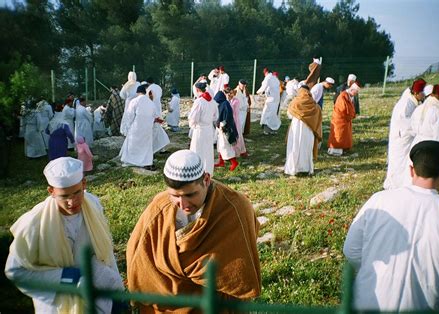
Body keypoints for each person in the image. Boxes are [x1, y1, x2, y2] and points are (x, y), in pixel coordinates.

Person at [343, 141, 439, 311]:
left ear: (412, 170)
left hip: (369, 304)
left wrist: (372, 270)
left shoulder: (378, 200)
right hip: (425, 308)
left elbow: (351, 249)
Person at [126, 150, 261, 313]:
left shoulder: (235, 207)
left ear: (206, 180)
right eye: (174, 196)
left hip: (212, 303)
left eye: (190, 195)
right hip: (165, 301)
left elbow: (238, 270)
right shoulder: (160, 207)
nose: (183, 204)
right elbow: (138, 254)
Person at [4, 157, 124, 313]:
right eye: (64, 196)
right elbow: (15, 272)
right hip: (57, 305)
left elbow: (104, 250)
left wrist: (115, 286)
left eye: (76, 193)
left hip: (97, 296)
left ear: (84, 184)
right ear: (51, 192)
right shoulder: (35, 224)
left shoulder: (93, 206)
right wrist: (63, 277)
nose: (72, 202)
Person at [383, 79, 426, 189]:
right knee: (398, 162)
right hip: (401, 138)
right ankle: (394, 186)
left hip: (405, 137)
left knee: (403, 163)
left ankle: (400, 183)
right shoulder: (407, 104)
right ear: (416, 93)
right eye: (422, 92)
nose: (424, 95)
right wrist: (419, 130)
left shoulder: (411, 101)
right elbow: (406, 123)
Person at [284, 81, 322, 176]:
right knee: (306, 148)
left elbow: (289, 115)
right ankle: (306, 168)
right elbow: (318, 117)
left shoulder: (295, 102)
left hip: (296, 128)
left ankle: (293, 168)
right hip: (308, 130)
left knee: (295, 146)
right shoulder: (314, 105)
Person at [120, 85, 157, 169]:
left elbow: (129, 115)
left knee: (133, 144)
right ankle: (146, 161)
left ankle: (131, 161)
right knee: (146, 145)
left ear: (137, 92)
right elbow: (154, 115)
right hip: (147, 127)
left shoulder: (134, 101)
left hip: (136, 126)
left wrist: (128, 127)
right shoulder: (151, 102)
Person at [188, 82, 218, 176]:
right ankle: (208, 172)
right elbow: (215, 116)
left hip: (200, 129)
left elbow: (193, 117)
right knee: (208, 151)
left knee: (197, 150)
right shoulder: (213, 102)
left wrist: (192, 125)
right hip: (209, 129)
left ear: (197, 90)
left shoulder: (199, 101)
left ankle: (197, 172)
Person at [410, 84, 439, 149]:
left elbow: (412, 125)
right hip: (430, 146)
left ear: (432, 94)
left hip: (417, 143)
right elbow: (438, 134)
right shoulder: (438, 111)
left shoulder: (419, 108)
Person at [327, 82, 360, 156]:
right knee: (339, 135)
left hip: (345, 120)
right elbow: (343, 109)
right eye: (356, 92)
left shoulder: (348, 95)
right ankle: (336, 149)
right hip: (340, 120)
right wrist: (350, 115)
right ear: (352, 90)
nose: (356, 94)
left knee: (345, 135)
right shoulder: (343, 96)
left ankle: (345, 148)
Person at [213, 91, 239, 171]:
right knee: (220, 145)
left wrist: (223, 125)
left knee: (225, 145)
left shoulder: (225, 104)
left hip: (225, 128)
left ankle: (234, 162)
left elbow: (227, 117)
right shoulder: (222, 104)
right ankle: (221, 162)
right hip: (220, 127)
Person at [257, 68, 281, 135]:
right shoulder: (275, 78)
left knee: (266, 113)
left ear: (266, 72)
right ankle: (273, 129)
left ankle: (267, 130)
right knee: (273, 114)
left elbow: (264, 86)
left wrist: (258, 92)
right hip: (276, 99)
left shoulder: (268, 77)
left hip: (271, 99)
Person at [225, 87, 248, 158]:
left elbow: (234, 112)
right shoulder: (226, 101)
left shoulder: (236, 101)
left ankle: (238, 151)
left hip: (235, 120)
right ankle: (230, 152)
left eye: (231, 93)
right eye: (228, 94)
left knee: (237, 134)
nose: (230, 95)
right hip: (228, 120)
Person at [120, 71, 141, 136]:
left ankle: (127, 132)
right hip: (137, 102)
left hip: (129, 102)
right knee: (136, 116)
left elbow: (122, 95)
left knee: (128, 115)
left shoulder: (126, 85)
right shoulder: (138, 84)